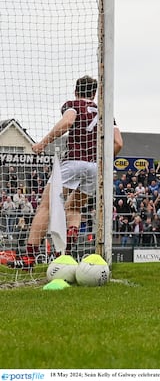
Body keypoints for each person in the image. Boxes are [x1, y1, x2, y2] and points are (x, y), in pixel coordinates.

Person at [26, 76, 123, 262]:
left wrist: (43, 143)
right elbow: (118, 143)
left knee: (46, 205)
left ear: (76, 91)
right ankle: (66, 251)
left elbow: (68, 122)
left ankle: (29, 257)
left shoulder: (72, 105)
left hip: (73, 161)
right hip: (95, 166)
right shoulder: (104, 111)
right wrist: (102, 162)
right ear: (94, 94)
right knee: (74, 207)